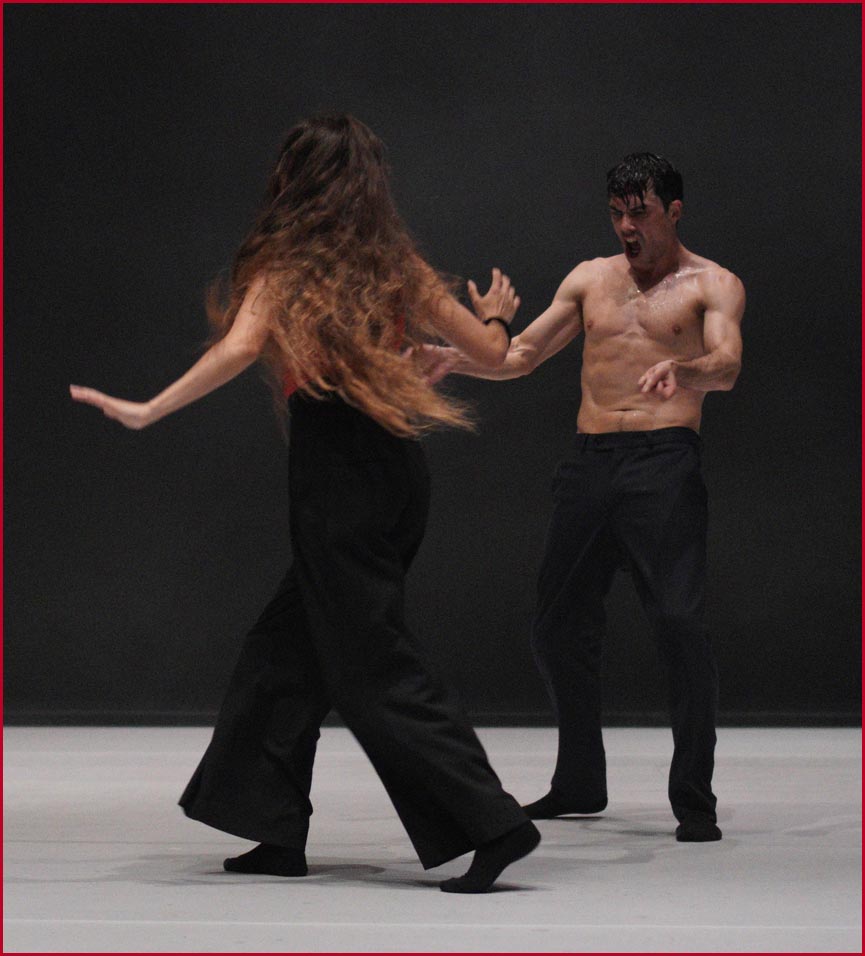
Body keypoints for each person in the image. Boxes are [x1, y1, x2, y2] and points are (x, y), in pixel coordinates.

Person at [70, 114, 540, 892]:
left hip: (338, 479)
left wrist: (151, 409)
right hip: (392, 473)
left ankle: (493, 824)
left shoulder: (287, 266)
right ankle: (274, 830)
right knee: (283, 653)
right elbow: (492, 351)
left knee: (371, 663)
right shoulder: (394, 263)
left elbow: (239, 347)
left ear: (296, 177)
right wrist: (494, 313)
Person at [425, 153, 745, 842]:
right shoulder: (589, 279)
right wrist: (460, 357)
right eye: (617, 213)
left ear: (673, 212)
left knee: (678, 624)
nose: (627, 226)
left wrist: (683, 370)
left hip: (663, 461)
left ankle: (694, 798)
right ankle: (578, 781)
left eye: (641, 213)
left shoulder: (712, 284)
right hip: (592, 462)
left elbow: (726, 365)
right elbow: (520, 356)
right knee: (555, 624)